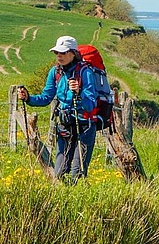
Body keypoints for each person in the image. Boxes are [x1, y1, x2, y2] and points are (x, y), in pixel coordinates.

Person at [17, 36, 102, 182]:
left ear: (73, 53)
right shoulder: (55, 72)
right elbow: (46, 97)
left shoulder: (85, 72)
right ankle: (64, 198)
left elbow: (91, 104)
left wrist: (78, 92)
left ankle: (78, 198)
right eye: (57, 53)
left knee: (77, 173)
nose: (59, 56)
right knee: (59, 172)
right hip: (65, 126)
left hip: (85, 127)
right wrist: (28, 98)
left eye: (62, 53)